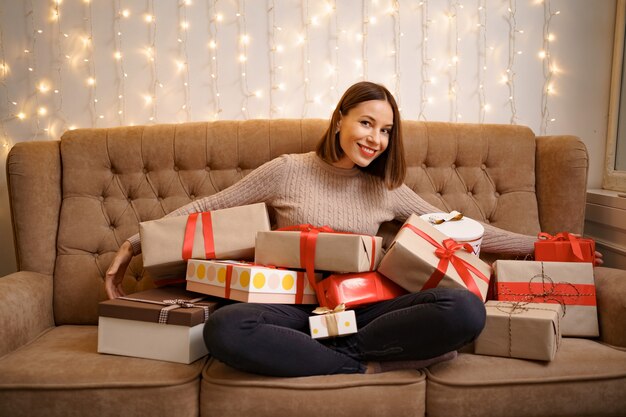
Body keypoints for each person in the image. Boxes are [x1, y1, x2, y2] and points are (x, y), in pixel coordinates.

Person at [105, 81, 600, 377]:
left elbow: (463, 233)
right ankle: (361, 366)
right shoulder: (286, 169)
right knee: (226, 328)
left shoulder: (384, 187)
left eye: (386, 131)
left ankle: (335, 354)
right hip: (294, 311)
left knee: (465, 308)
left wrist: (548, 246)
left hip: (368, 312)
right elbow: (207, 209)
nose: (376, 139)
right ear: (340, 118)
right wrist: (132, 244)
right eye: (367, 124)